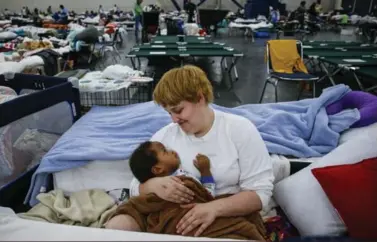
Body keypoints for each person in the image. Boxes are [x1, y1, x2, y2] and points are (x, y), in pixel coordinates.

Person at [105, 65, 274, 236]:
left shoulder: (240, 129)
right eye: (169, 113)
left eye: (178, 110)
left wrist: (213, 208)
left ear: (200, 98)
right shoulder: (164, 137)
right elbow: (135, 185)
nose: (174, 119)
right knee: (118, 226)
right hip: (167, 212)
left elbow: (260, 194)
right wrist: (153, 185)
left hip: (223, 211)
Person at [129, 141, 216, 197]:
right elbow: (208, 196)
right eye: (165, 151)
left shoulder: (148, 190)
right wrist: (205, 171)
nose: (172, 151)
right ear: (158, 169)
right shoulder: (182, 184)